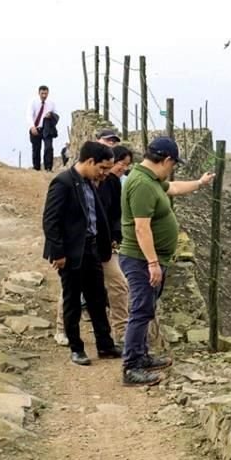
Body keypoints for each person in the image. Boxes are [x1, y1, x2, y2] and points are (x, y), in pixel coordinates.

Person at [119, 137, 215, 385]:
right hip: (140, 259)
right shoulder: (141, 184)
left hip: (151, 258)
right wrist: (152, 263)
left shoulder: (151, 180)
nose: (172, 169)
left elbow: (173, 188)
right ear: (167, 160)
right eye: (173, 164)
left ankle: (141, 356)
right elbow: (141, 228)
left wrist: (200, 183)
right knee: (140, 311)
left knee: (146, 308)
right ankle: (131, 367)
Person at [42, 141, 123, 366]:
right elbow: (51, 221)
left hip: (92, 250)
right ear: (89, 161)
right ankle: (76, 348)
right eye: (103, 168)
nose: (105, 173)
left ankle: (105, 345)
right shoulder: (63, 183)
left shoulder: (89, 183)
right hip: (71, 253)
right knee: (72, 301)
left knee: (97, 298)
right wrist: (58, 253)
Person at [98, 145, 133, 343]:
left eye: (127, 165)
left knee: (119, 285)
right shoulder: (95, 183)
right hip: (92, 245)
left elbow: (114, 215)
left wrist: (115, 237)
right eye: (122, 163)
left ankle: (121, 332)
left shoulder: (115, 183)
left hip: (108, 246)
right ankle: (63, 328)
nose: (123, 168)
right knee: (75, 287)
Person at [28, 85, 58, 171]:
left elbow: (56, 115)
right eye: (42, 93)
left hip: (47, 129)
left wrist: (51, 115)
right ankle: (36, 168)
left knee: (49, 147)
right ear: (39, 93)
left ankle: (48, 167)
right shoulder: (33, 102)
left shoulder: (51, 103)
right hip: (36, 128)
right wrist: (32, 126)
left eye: (46, 93)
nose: (44, 95)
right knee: (36, 149)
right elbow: (29, 115)